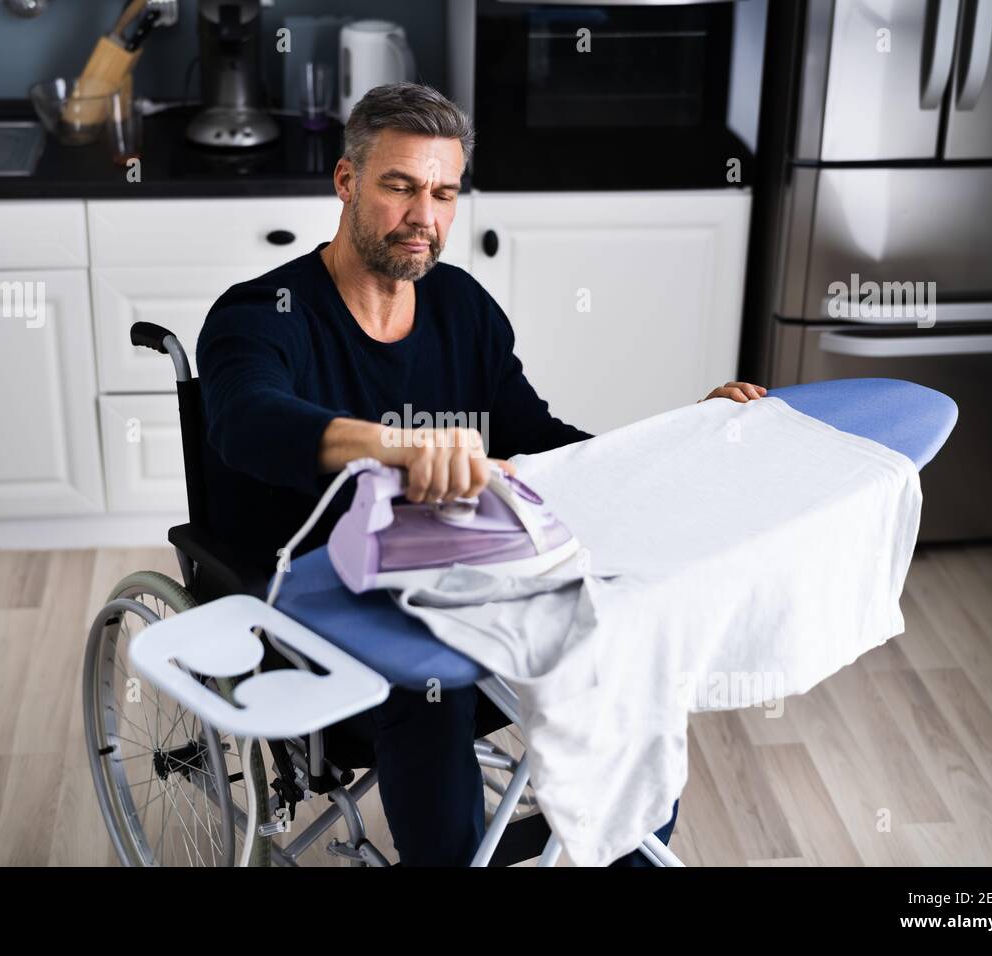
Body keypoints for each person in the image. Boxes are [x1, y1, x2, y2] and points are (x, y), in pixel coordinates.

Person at [197, 82, 765, 866]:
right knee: (434, 692)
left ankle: (619, 850)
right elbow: (244, 419)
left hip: (473, 573)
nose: (423, 216)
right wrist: (390, 447)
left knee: (621, 640)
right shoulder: (262, 314)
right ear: (346, 181)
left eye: (443, 192)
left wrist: (681, 437)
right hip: (329, 595)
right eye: (399, 186)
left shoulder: (461, 306)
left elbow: (538, 440)